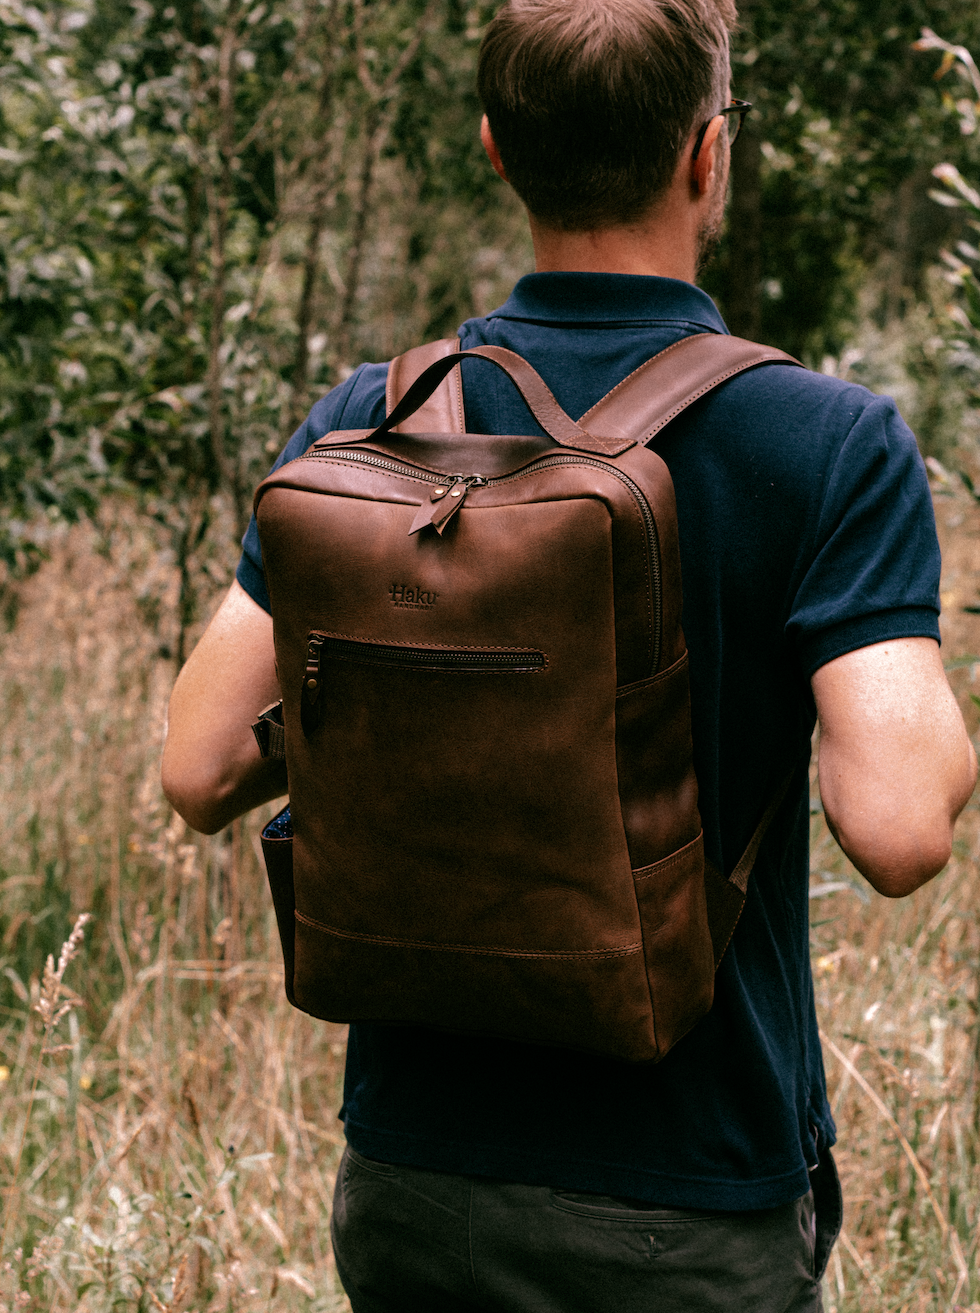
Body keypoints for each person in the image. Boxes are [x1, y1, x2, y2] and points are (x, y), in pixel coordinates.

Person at [162, 0, 978, 1308]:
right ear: (708, 155)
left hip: (414, 1185)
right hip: (687, 1202)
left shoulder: (371, 424)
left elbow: (201, 765)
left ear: (497, 149)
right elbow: (897, 831)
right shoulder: (827, 443)